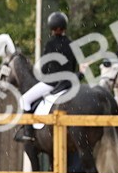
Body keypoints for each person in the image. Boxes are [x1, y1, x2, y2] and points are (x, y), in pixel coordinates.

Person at [16, 11, 80, 143]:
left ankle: (28, 133)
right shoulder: (72, 44)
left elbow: (45, 69)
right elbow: (74, 67)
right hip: (68, 83)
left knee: (24, 99)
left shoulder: (50, 44)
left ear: (51, 28)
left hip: (51, 83)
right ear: (64, 27)